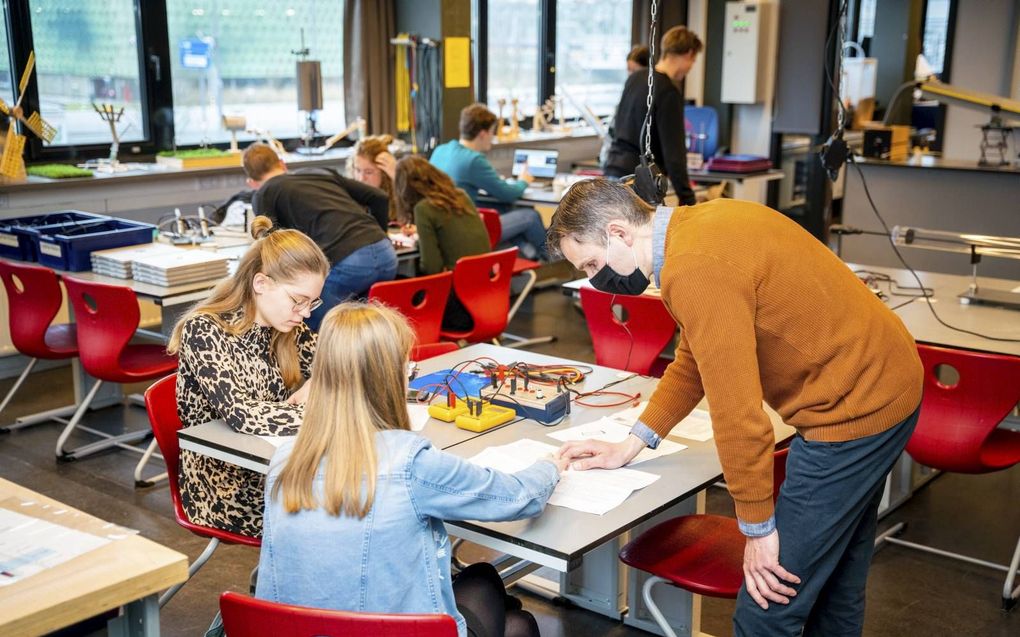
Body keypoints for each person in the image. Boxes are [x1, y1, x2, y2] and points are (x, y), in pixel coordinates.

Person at [549, 179, 924, 637]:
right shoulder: (700, 224)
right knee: (836, 582)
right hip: (887, 381)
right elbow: (694, 360)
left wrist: (758, 530)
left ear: (619, 232)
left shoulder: (693, 269)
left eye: (592, 262)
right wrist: (631, 443)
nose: (593, 278)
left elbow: (739, 416)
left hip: (853, 411)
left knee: (768, 603)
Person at [257, 302, 566, 637]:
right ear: (389, 377)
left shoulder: (284, 460)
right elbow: (518, 498)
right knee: (499, 598)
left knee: (500, 606)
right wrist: (551, 465)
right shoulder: (410, 464)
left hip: (301, 629)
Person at [167, 216, 329, 537]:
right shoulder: (206, 331)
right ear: (261, 284)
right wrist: (323, 413)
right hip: (224, 486)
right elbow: (244, 416)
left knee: (371, 497)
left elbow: (337, 359)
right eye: (299, 300)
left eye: (312, 303)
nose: (306, 313)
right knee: (351, 510)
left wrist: (316, 383)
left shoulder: (285, 328)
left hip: (276, 464)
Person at [244, 143, 398, 330]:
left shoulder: (263, 193)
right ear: (282, 164)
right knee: (362, 325)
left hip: (349, 260)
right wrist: (381, 235)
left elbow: (271, 248)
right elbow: (379, 197)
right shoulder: (319, 173)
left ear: (251, 183)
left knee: (308, 311)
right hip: (386, 253)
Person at [430, 103, 549, 260]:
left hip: (442, 223)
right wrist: (523, 181)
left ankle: (528, 252)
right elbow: (507, 193)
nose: (492, 139)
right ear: (483, 133)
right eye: (493, 133)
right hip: (464, 228)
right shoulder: (473, 160)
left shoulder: (441, 150)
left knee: (505, 208)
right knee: (530, 216)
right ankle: (553, 262)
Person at [604, 26, 702, 206]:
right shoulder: (668, 92)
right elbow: (674, 153)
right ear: (688, 54)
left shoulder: (635, 78)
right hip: (640, 181)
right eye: (693, 61)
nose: (690, 68)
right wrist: (688, 198)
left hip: (613, 170)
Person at [394, 155, 491, 332]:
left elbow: (431, 268)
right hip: (485, 297)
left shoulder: (423, 208)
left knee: (396, 284)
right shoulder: (461, 196)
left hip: (457, 309)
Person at [349, 134, 399, 222]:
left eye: (369, 172)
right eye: (358, 170)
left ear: (384, 173)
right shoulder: (348, 196)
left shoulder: (398, 196)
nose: (361, 178)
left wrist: (397, 176)